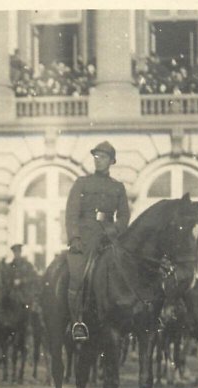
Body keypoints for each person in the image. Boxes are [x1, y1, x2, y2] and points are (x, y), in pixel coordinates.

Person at [65, 141, 130, 341]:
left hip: (109, 238)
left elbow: (124, 216)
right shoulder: (82, 183)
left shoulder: (118, 187)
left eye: (103, 157)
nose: (98, 160)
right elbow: (71, 213)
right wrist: (75, 237)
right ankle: (78, 321)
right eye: (96, 156)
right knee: (78, 274)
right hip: (85, 237)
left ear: (111, 161)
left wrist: (114, 229)